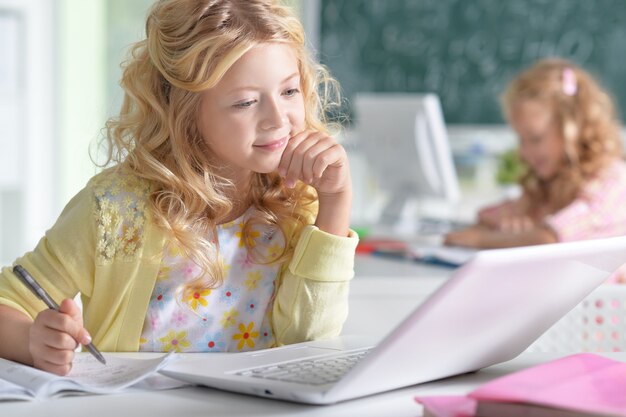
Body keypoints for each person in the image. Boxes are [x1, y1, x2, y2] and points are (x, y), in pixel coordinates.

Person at [0, 0, 357, 376]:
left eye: (289, 92)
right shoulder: (115, 209)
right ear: (185, 110)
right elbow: (8, 302)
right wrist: (32, 341)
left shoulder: (299, 200)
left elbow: (310, 344)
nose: (277, 119)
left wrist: (335, 203)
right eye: (246, 102)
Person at [445, 58, 626, 249]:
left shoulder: (614, 180)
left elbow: (553, 238)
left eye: (536, 139)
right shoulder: (546, 187)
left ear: (574, 129)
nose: (524, 152)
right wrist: (509, 227)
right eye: (521, 139)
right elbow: (484, 219)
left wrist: (483, 240)